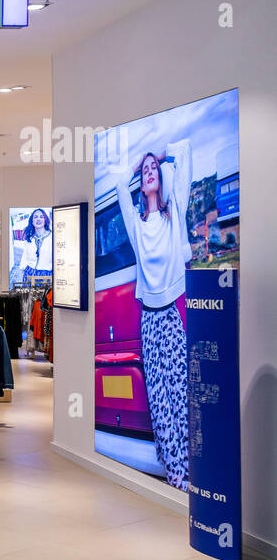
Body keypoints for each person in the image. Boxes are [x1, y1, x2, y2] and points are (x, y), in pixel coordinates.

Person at [115, 143, 193, 489]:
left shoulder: (173, 212)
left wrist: (159, 156)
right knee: (158, 397)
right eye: (144, 170)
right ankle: (175, 471)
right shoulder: (137, 222)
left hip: (171, 314)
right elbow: (119, 184)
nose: (148, 172)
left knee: (179, 390)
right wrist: (140, 163)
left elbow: (185, 155)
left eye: (153, 170)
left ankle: (189, 464)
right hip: (149, 316)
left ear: (161, 177)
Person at [14, 208, 52, 285]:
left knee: (45, 296)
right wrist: (22, 270)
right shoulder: (29, 238)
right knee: (28, 297)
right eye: (35, 217)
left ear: (45, 220)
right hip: (29, 273)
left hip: (46, 275)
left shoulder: (52, 237)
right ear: (32, 221)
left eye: (41, 217)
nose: (38, 219)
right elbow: (25, 256)